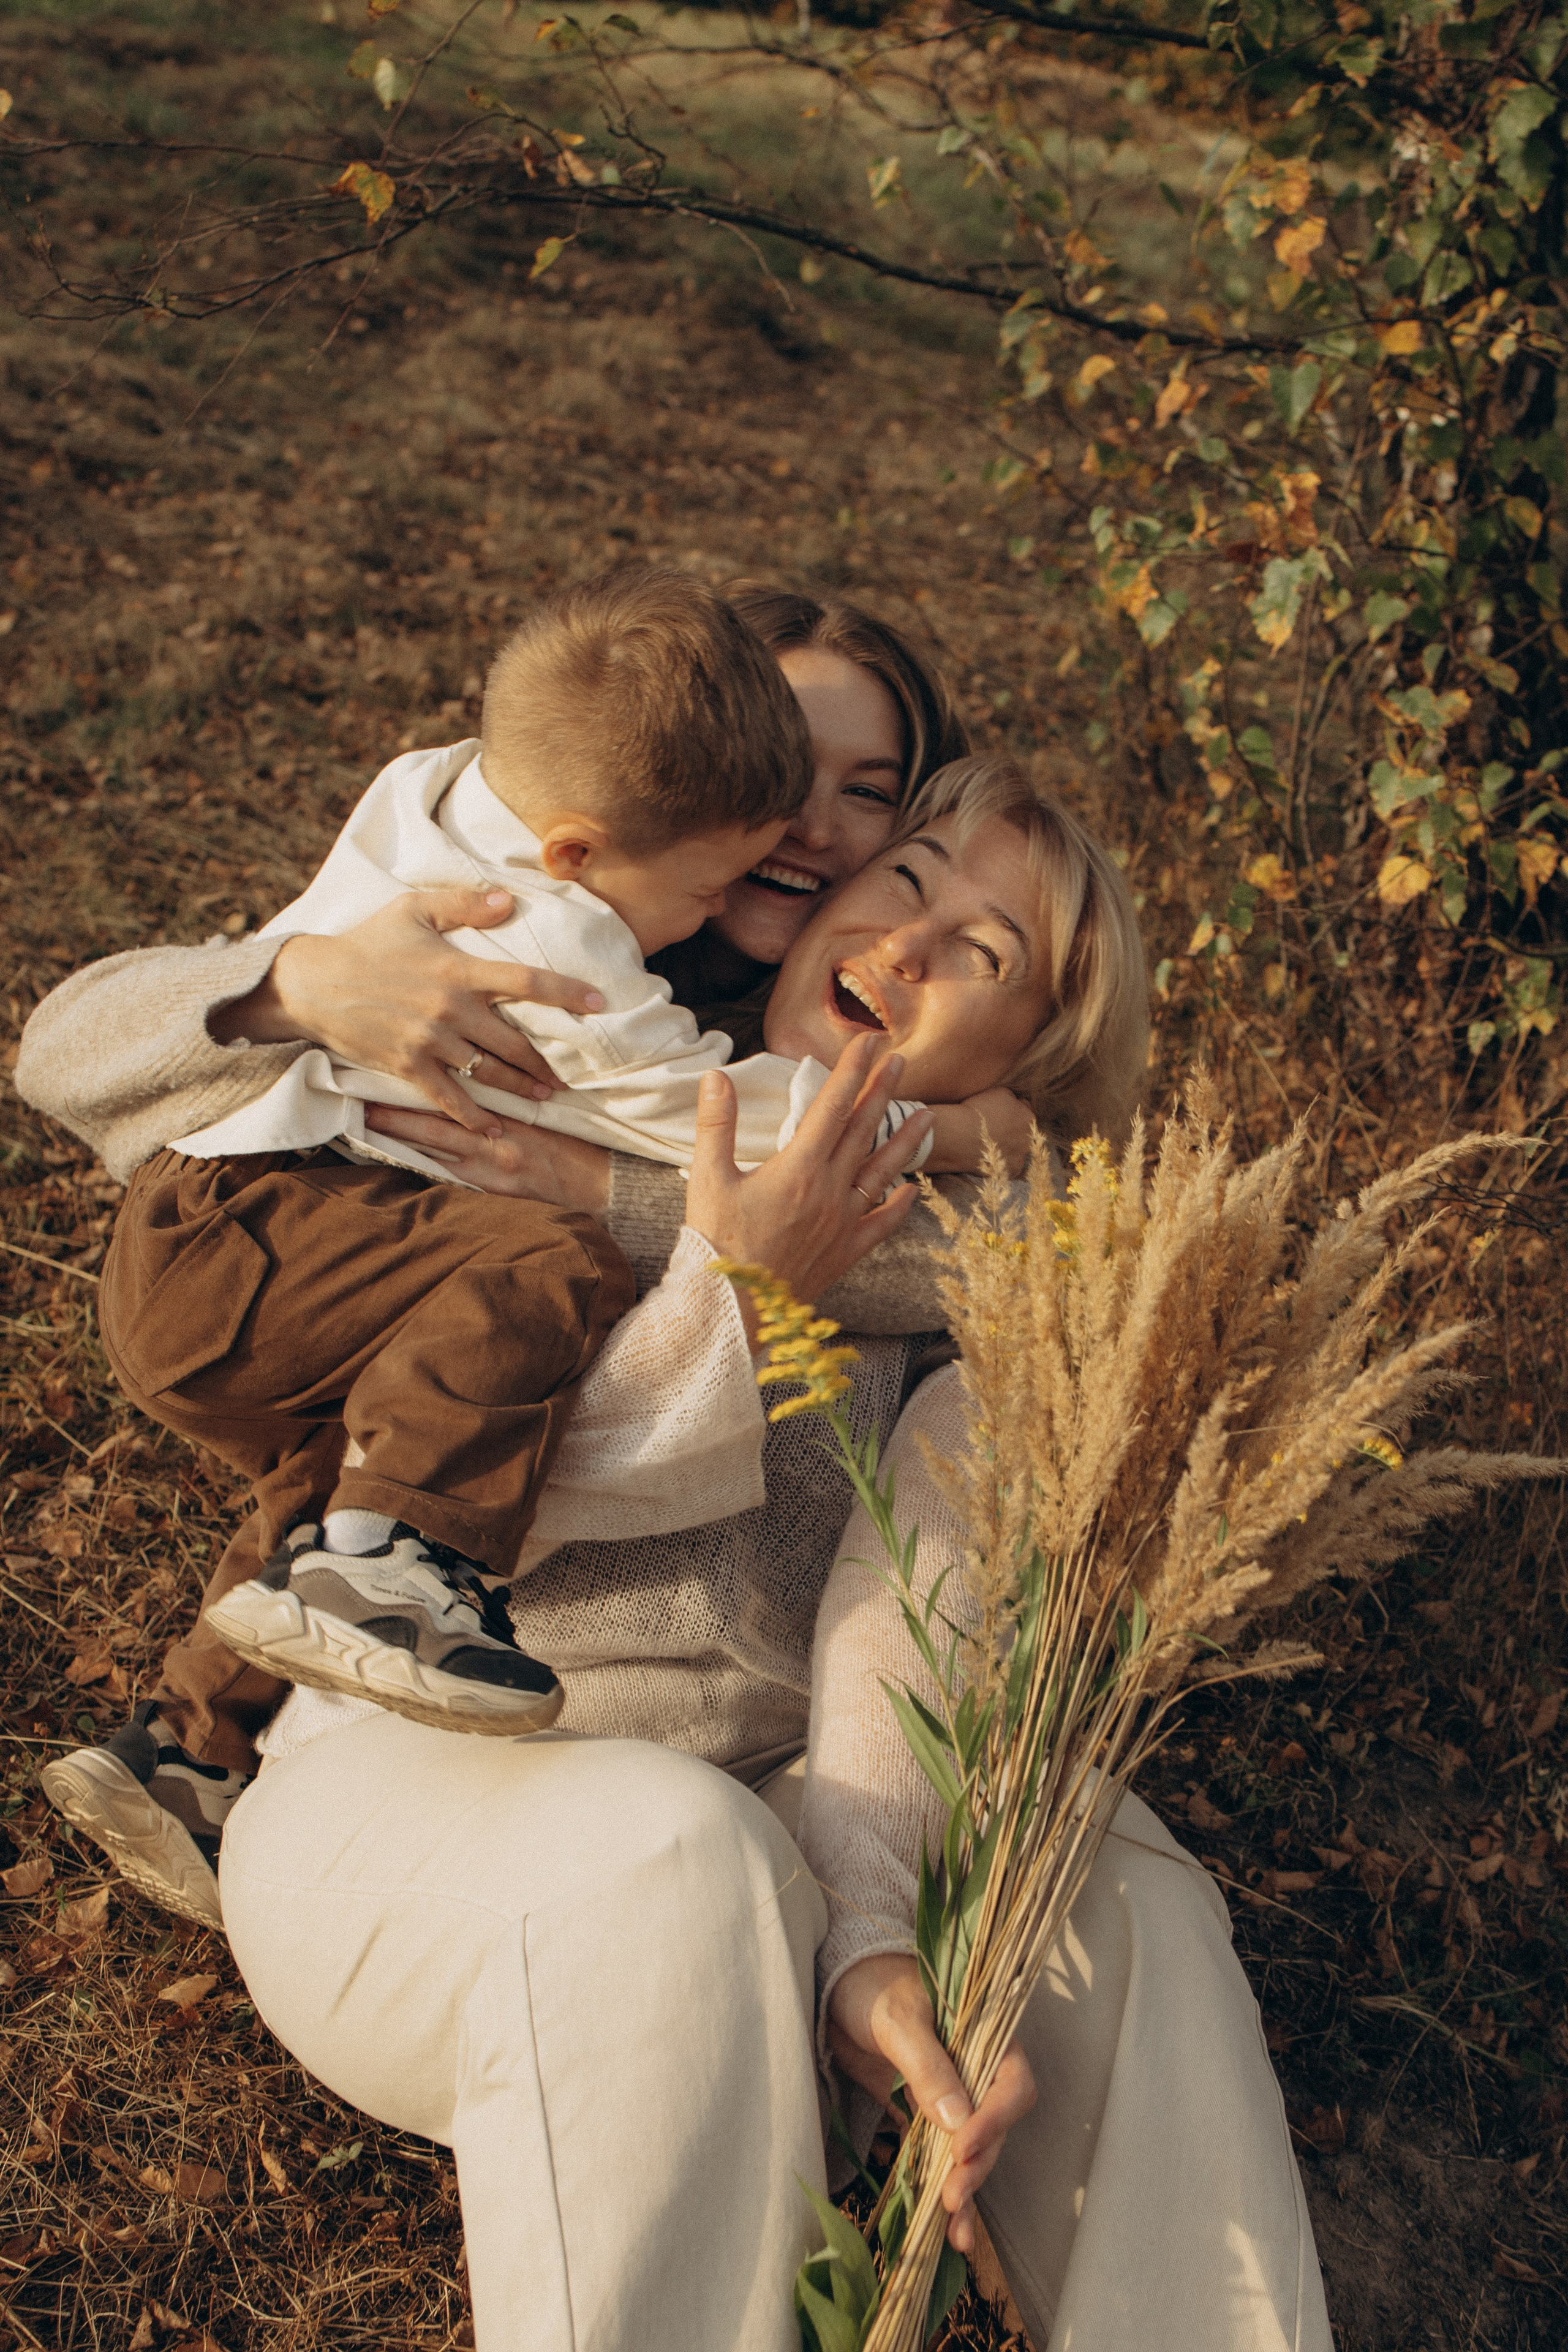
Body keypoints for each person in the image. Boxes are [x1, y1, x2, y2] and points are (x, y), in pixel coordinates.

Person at [18, 611, 1332, 2347]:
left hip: (809, 1809)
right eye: (897, 862)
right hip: (448, 1791)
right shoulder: (542, 1015)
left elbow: (910, 1609)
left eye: (977, 941)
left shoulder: (1030, 1273)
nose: (878, 904)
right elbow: (77, 1043)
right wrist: (304, 985)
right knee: (670, 1845)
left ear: (1028, 1057)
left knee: (1126, 1898)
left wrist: (871, 1922)